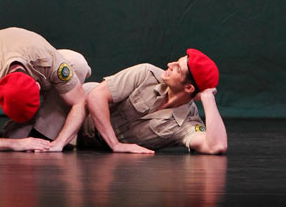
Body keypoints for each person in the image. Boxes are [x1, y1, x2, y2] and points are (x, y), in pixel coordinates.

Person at [79, 48, 227, 154]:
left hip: (86, 147)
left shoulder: (187, 123)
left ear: (189, 88)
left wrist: (209, 99)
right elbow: (95, 96)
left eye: (177, 69)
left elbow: (217, 146)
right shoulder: (146, 74)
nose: (170, 65)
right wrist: (115, 145)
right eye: (176, 62)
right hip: (76, 115)